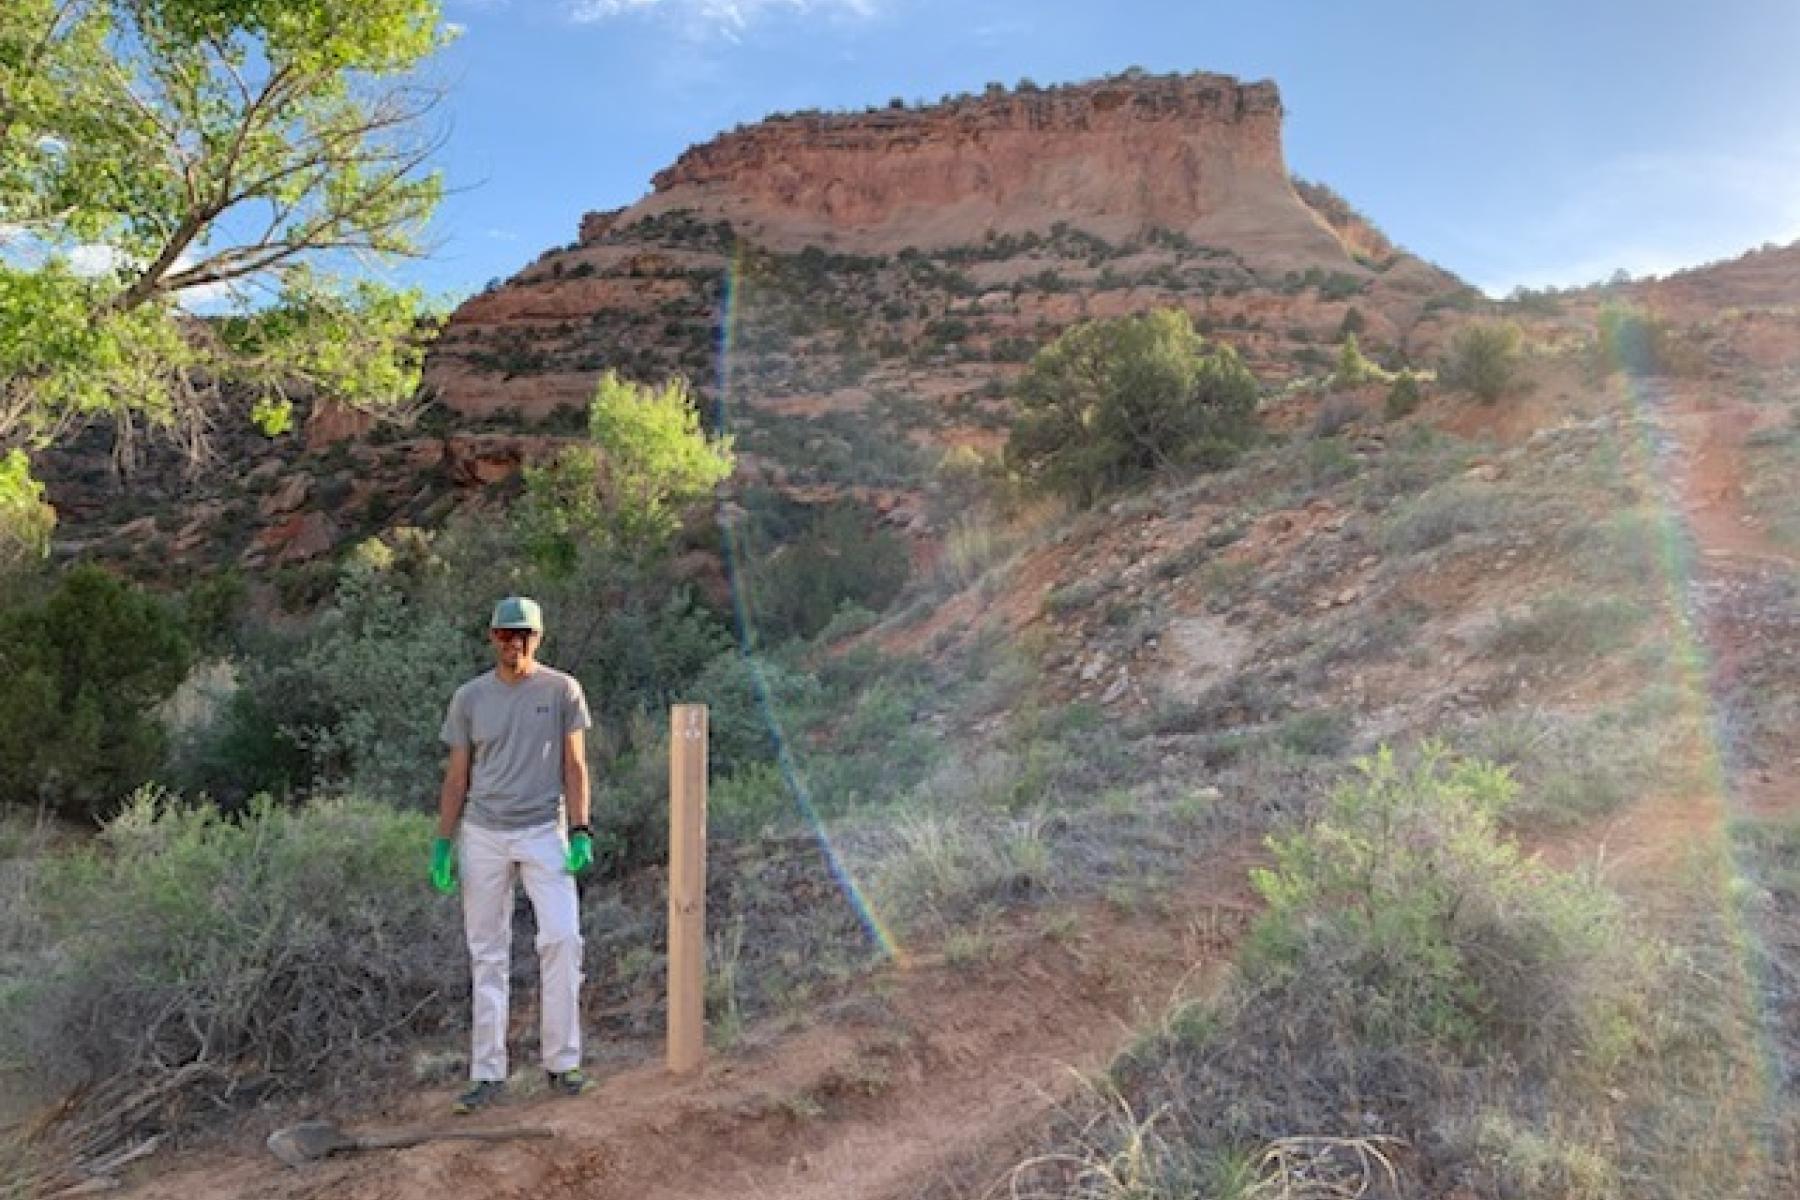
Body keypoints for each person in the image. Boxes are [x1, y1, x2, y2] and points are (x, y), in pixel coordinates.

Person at [430, 595, 597, 1114]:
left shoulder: (561, 689)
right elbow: (457, 776)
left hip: (543, 829)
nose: (514, 643)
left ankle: (563, 1063)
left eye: (523, 634)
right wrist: (443, 842)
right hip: (484, 832)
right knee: (488, 952)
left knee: (562, 938)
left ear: (538, 638)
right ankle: (487, 1073)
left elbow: (575, 765)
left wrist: (581, 829)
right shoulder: (470, 698)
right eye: (505, 634)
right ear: (492, 638)